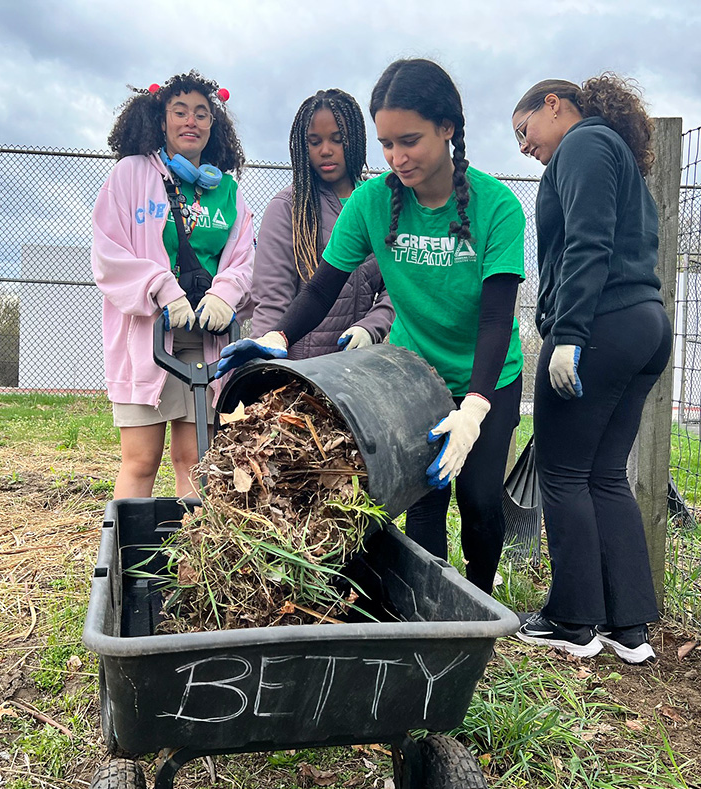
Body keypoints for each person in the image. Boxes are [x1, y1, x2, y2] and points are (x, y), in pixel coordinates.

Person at [217, 59, 525, 595]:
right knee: (423, 493)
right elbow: (321, 287)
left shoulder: (497, 207)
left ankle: (480, 600)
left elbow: (498, 318)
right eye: (385, 144)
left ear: (448, 128)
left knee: (477, 499)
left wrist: (475, 408)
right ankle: (434, 605)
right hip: (414, 372)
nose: (396, 158)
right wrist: (278, 337)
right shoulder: (373, 202)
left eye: (410, 141)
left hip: (487, 375)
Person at [511, 75, 671, 663]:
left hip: (601, 324)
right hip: (643, 323)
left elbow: (587, 242)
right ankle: (628, 628)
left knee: (562, 470)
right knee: (604, 472)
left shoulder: (584, 144)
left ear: (554, 105)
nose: (524, 146)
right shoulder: (615, 153)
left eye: (524, 130)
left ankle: (573, 620)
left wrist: (569, 334)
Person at [91, 71, 254, 499]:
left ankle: (195, 563)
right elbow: (109, 255)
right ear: (161, 120)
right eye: (179, 111)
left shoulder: (229, 192)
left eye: (201, 113)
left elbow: (242, 260)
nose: (191, 121)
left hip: (205, 340)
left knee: (197, 462)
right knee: (141, 461)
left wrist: (224, 295)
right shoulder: (131, 175)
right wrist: (162, 288)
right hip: (148, 337)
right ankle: (132, 559)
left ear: (212, 125)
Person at [251, 89, 394, 357]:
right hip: (298, 373)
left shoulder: (377, 206)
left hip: (355, 371)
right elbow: (271, 301)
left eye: (337, 140)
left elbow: (394, 291)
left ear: (356, 140)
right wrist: (263, 369)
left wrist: (370, 327)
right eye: (314, 142)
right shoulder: (287, 208)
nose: (325, 151)